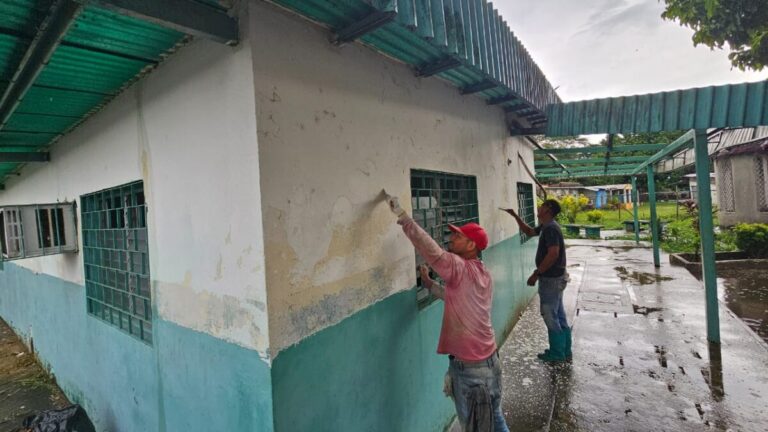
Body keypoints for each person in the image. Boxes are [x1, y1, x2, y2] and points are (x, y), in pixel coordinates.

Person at [385, 193, 509, 432]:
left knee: (476, 426)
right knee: (494, 418)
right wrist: (430, 284)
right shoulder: (482, 272)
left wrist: (403, 217)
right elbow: (456, 297)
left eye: (458, 236)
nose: (451, 238)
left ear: (472, 245)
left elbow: (433, 253)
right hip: (490, 361)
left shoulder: (458, 267)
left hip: (470, 368)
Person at [503, 199, 571, 363]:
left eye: (542, 206)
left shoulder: (551, 229)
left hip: (551, 280)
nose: (538, 208)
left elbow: (553, 253)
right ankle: (564, 350)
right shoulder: (547, 226)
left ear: (548, 209)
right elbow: (529, 232)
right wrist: (515, 216)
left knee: (549, 315)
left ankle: (557, 353)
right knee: (558, 315)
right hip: (556, 278)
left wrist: (536, 273)